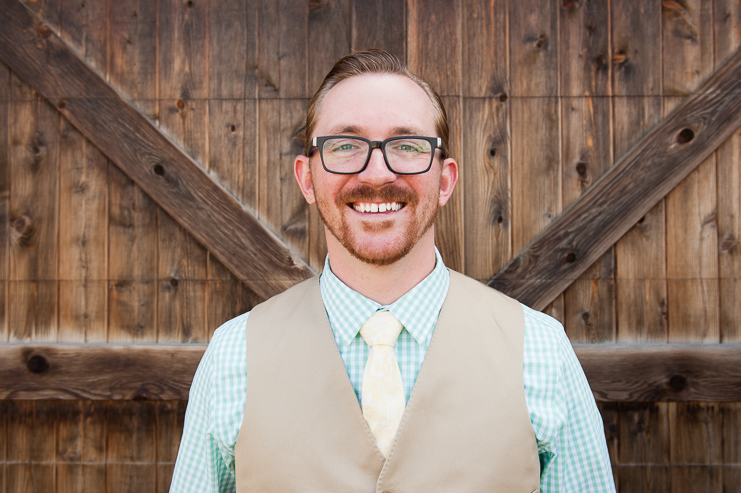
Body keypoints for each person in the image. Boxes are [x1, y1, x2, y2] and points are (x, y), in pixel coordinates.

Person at [170, 49, 615, 492]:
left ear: (444, 180)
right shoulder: (233, 357)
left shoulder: (540, 351)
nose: (378, 173)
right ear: (307, 178)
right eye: (345, 146)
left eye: (407, 146)